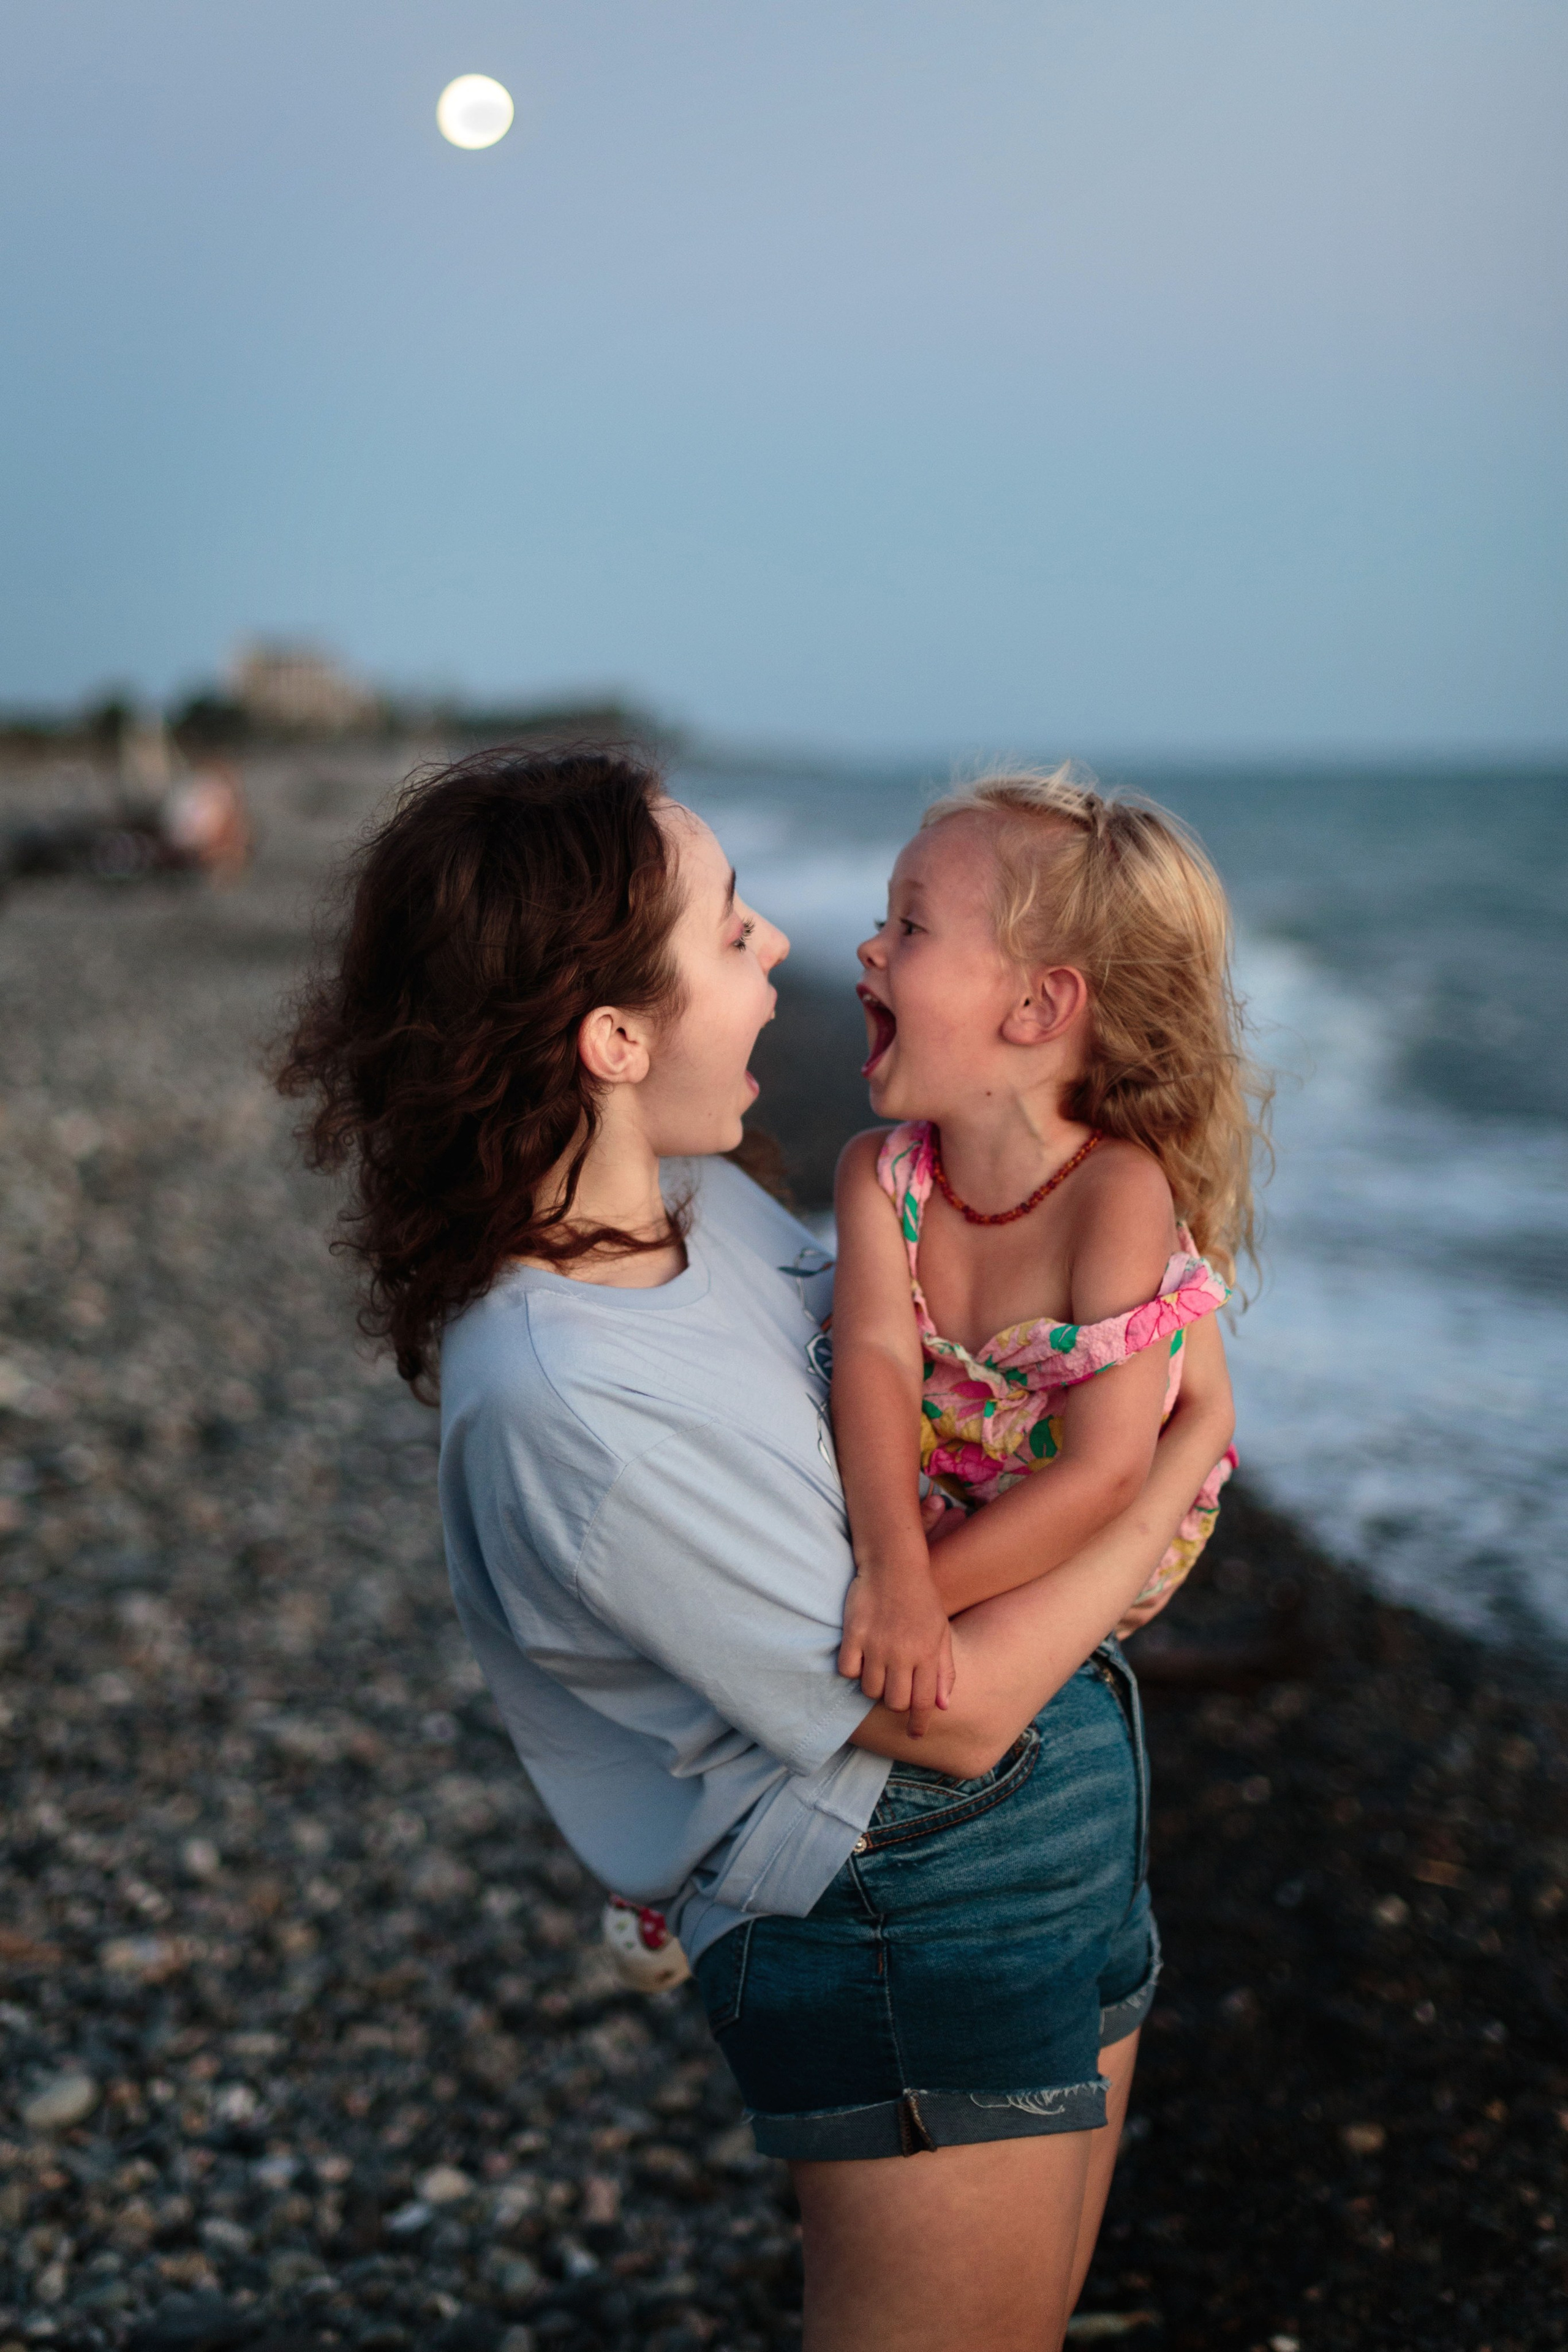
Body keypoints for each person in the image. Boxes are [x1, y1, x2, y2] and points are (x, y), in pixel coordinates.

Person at [277, 746, 1237, 2352]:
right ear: (611, 1037)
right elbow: (948, 1709)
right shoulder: (570, 1401)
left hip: (1059, 1796)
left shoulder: (702, 1211)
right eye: (733, 931)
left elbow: (936, 1398)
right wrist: (1167, 1470)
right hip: (900, 1885)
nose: (785, 947)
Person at [832, 767, 1259, 1734]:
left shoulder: (1117, 1195)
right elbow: (875, 1360)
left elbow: (1108, 1474)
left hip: (1095, 1527)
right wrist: (895, 1567)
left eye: (911, 926)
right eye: (883, 918)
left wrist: (917, 1593)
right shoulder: (880, 1177)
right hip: (949, 1521)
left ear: (1035, 1007)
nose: (870, 944)